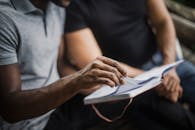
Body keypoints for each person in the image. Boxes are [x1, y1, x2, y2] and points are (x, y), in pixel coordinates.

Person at [62, 0, 195, 129]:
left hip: (166, 61)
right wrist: (155, 78)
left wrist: (169, 67)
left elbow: (163, 21)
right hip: (129, 80)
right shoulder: (76, 5)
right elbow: (95, 62)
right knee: (178, 118)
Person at [0, 0, 128, 130]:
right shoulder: (4, 19)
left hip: (59, 107)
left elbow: (60, 65)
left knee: (138, 100)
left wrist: (99, 88)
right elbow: (11, 110)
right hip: (31, 125)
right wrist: (77, 81)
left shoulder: (57, 6)